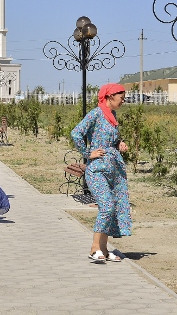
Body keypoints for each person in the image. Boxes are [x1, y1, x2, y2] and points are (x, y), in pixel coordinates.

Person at [70, 83, 132, 263]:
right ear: (110, 97)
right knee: (106, 206)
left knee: (112, 207)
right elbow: (76, 133)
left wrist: (119, 143)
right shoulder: (96, 113)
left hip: (113, 169)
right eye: (121, 97)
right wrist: (87, 153)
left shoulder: (112, 115)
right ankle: (94, 248)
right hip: (97, 170)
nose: (123, 101)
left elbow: (111, 138)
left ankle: (104, 249)